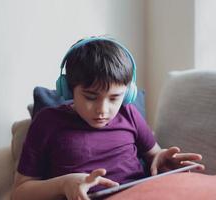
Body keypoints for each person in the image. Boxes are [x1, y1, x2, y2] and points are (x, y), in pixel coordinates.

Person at [11, 36, 204, 200]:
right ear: (69, 89)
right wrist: (63, 184)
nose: (103, 110)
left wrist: (161, 160)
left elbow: (154, 154)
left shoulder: (128, 113)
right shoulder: (47, 122)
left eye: (114, 98)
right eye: (90, 97)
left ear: (128, 94)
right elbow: (20, 192)